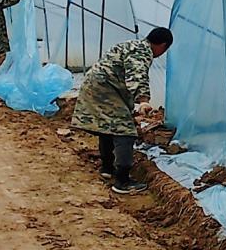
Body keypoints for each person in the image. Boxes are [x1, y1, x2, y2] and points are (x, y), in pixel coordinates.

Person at [70, 28, 174, 194]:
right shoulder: (142, 51)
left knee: (107, 126)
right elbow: (137, 74)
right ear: (162, 46)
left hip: (96, 85)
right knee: (125, 130)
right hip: (105, 89)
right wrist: (143, 101)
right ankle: (123, 181)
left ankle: (107, 168)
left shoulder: (131, 44)